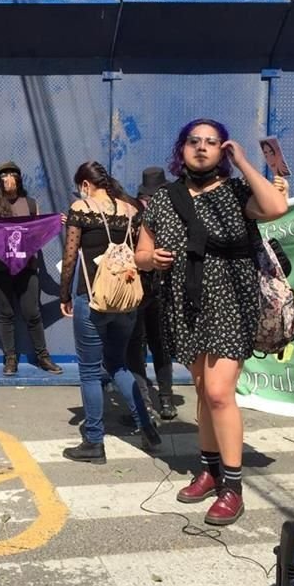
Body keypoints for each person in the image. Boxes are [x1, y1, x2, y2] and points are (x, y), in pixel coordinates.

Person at [136, 118, 287, 526]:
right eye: (193, 141)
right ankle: (209, 468)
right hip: (183, 304)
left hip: (231, 302)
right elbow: (141, 252)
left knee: (220, 393)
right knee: (203, 391)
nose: (201, 148)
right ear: (181, 148)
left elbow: (275, 208)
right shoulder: (164, 199)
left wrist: (243, 162)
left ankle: (233, 487)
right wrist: (152, 260)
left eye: (212, 142)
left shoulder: (238, 192)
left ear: (223, 150)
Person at [59, 161, 161, 464]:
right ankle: (147, 427)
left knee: (90, 372)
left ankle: (93, 441)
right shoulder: (131, 210)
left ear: (86, 184)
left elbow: (69, 259)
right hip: (127, 301)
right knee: (119, 365)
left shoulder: (81, 207)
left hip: (92, 300)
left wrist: (64, 294)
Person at [0, 161, 62, 376]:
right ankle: (10, 358)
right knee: (5, 313)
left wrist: (56, 221)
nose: (8, 179)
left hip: (27, 265)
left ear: (19, 179)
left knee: (32, 312)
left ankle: (42, 356)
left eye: (12, 175)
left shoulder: (30, 204)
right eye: (3, 176)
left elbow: (37, 233)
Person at [126, 167, 176, 420]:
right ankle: (163, 401)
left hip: (144, 289)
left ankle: (146, 403)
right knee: (158, 346)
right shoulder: (171, 218)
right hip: (160, 290)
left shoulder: (137, 220)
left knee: (141, 346)